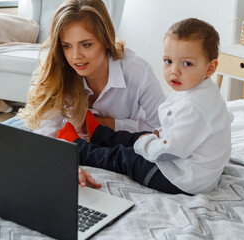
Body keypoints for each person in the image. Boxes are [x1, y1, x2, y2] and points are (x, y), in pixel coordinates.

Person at [56, 18, 234, 195]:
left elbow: (168, 151)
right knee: (140, 137)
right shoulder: (198, 89)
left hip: (181, 178)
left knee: (124, 157)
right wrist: (147, 139)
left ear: (210, 68)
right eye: (168, 61)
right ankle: (99, 134)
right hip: (186, 162)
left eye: (187, 63)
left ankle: (81, 148)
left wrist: (142, 146)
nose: (174, 71)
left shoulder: (196, 107)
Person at [17, 0, 166, 187]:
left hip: (123, 146)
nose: (75, 56)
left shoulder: (137, 70)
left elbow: (162, 129)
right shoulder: (61, 71)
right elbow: (47, 133)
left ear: (105, 39)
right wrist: (63, 165)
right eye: (67, 46)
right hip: (75, 145)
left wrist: (111, 124)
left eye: (85, 45)